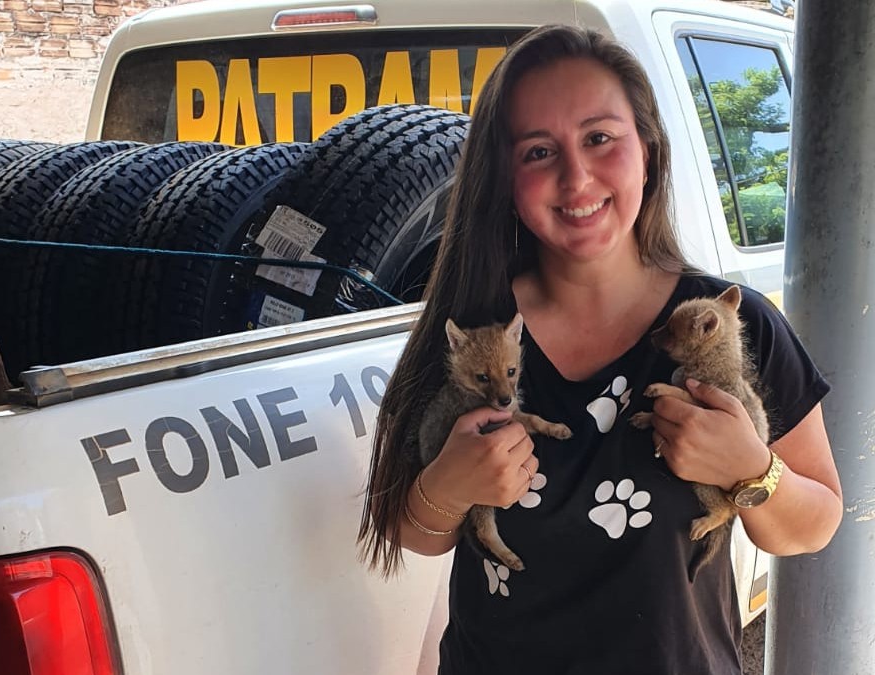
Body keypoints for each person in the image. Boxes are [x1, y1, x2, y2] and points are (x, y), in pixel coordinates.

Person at [358, 24, 843, 674]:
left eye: (599, 138)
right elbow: (407, 528)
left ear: (647, 147)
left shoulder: (730, 324)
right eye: (537, 151)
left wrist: (750, 469)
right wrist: (447, 485)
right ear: (503, 175)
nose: (576, 177)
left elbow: (815, 524)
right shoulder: (472, 332)